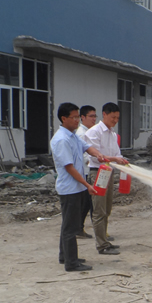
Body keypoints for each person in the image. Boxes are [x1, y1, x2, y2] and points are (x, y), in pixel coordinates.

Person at [50, 102, 105, 272]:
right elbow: (69, 167)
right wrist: (87, 184)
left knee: (69, 224)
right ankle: (71, 263)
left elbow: (87, 147)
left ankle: (65, 256)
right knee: (71, 227)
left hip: (77, 188)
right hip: (70, 189)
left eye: (77, 117)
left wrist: (99, 154)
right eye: (73, 117)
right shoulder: (61, 140)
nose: (76, 121)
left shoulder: (73, 136)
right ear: (63, 118)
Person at [84, 102, 129, 255]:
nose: (115, 120)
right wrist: (115, 159)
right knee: (99, 210)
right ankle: (102, 245)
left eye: (117, 118)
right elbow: (95, 156)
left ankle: (105, 240)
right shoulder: (94, 132)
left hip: (108, 173)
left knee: (107, 209)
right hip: (98, 173)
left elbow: (117, 154)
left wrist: (121, 161)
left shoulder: (113, 134)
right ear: (104, 114)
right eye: (113, 117)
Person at [74, 105, 97, 240]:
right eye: (91, 116)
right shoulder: (82, 134)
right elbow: (84, 155)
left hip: (88, 171)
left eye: (95, 116)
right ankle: (80, 228)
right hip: (86, 172)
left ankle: (80, 228)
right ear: (83, 117)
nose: (94, 119)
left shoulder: (89, 132)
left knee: (88, 203)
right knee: (88, 202)